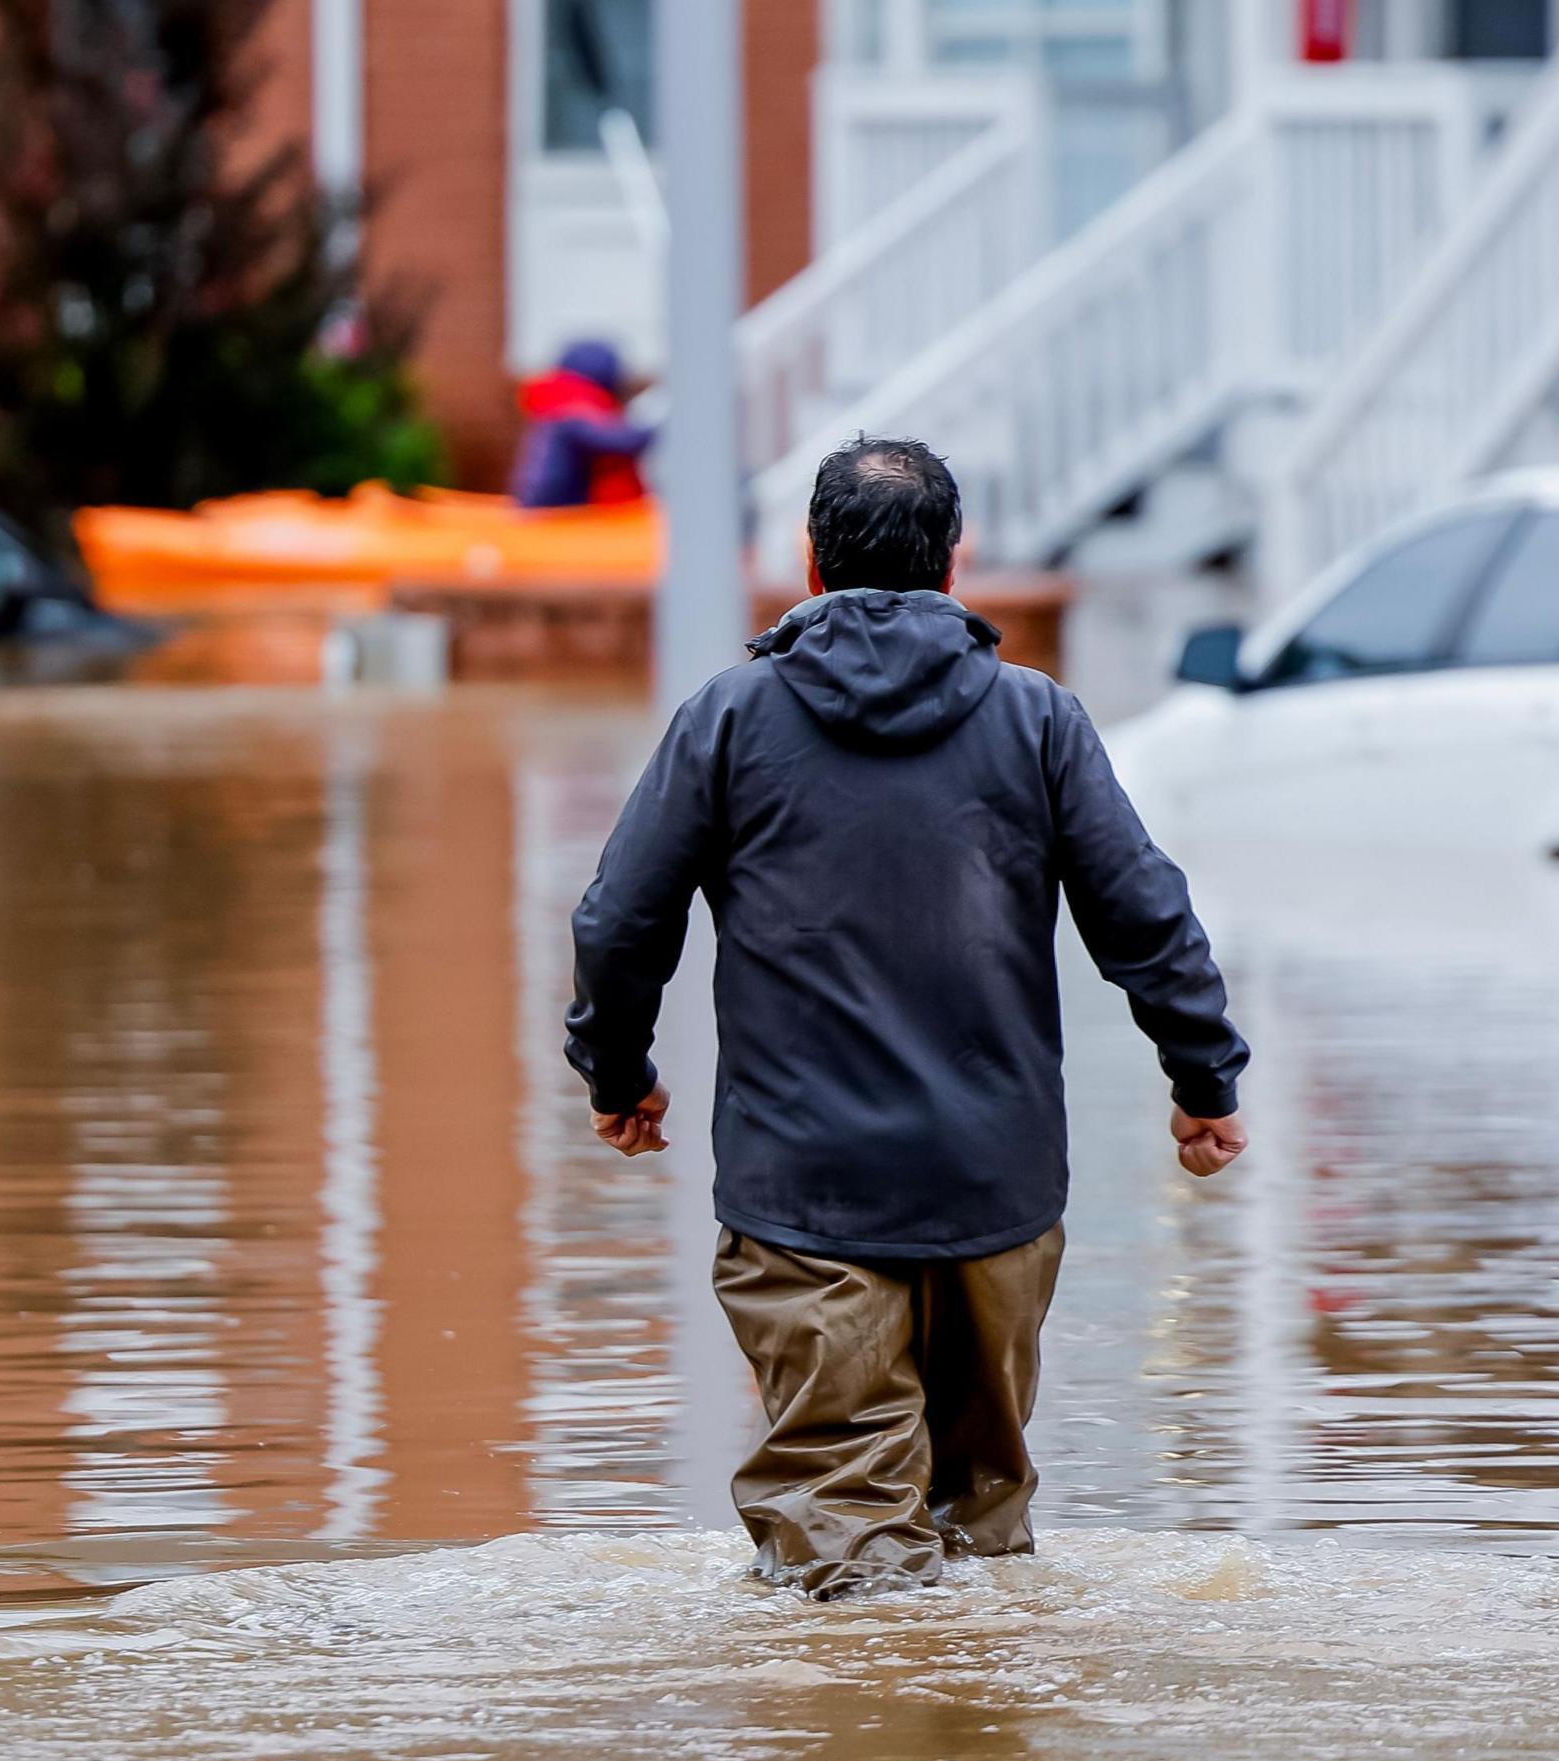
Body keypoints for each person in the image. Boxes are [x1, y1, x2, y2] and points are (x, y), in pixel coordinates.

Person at [563, 436, 1251, 1600]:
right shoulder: (1038, 719)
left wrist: (616, 1072)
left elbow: (620, 919)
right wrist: (1203, 1080)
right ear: (955, 561)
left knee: (847, 1551)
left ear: (809, 564)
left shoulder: (731, 719)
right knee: (980, 1526)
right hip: (997, 1193)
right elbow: (1144, 911)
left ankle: (868, 1756)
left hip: (806, 1196)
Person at [509, 339, 654, 510]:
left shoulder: (556, 402)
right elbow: (617, 441)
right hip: (555, 510)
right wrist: (655, 429)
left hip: (548, 505)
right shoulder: (573, 410)